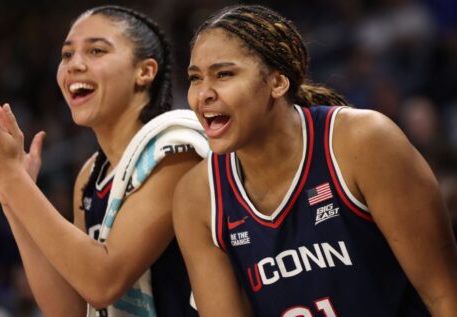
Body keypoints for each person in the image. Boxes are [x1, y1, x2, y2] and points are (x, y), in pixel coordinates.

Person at [172, 4, 457, 317]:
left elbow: (444, 296)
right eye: (196, 78)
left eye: (224, 74)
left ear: (278, 83)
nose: (203, 94)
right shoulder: (197, 197)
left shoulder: (362, 141)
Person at [0, 5, 207, 317]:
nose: (74, 65)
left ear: (145, 71)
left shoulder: (177, 150)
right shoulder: (90, 175)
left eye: (96, 50)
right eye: (67, 54)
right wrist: (11, 197)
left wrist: (12, 179)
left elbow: (104, 281)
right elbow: (71, 309)